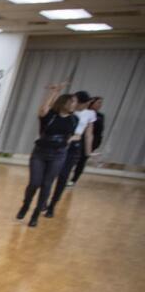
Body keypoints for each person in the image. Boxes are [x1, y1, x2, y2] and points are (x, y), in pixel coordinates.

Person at [18, 84, 77, 228]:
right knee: (34, 183)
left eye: (74, 103)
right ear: (63, 102)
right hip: (40, 152)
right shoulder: (50, 115)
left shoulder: (73, 119)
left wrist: (68, 141)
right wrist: (54, 93)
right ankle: (26, 204)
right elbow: (43, 109)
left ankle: (35, 215)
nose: (73, 105)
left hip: (58, 154)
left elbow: (71, 135)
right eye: (71, 102)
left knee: (46, 185)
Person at [63, 91, 99, 189]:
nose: (86, 105)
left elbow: (89, 134)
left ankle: (61, 186)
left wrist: (89, 152)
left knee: (66, 170)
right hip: (62, 141)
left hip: (75, 143)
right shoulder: (68, 110)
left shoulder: (90, 114)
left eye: (87, 103)